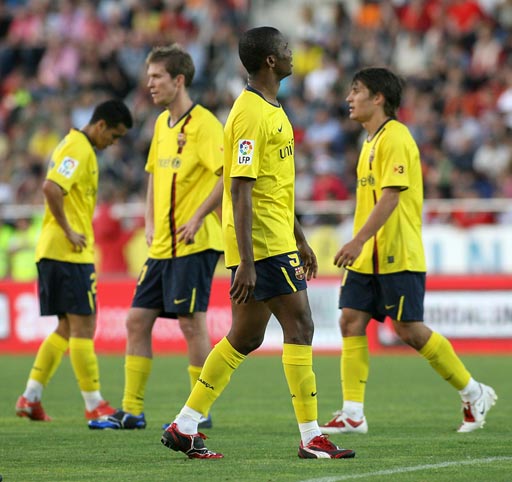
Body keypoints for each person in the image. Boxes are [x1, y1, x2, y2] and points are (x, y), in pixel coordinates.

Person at [160, 26, 355, 460]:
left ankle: (185, 424)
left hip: (276, 237)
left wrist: (300, 237)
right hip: (262, 244)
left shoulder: (273, 109)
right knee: (301, 326)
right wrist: (247, 261)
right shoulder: (248, 114)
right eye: (286, 50)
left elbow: (275, 186)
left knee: (244, 337)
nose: (292, 55)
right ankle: (311, 437)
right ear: (270, 60)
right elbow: (241, 188)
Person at [320, 67, 497, 435]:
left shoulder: (396, 137)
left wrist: (357, 240)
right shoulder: (367, 142)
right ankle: (353, 412)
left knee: (409, 330)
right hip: (366, 258)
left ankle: (473, 391)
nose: (349, 98)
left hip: (397, 254)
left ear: (378, 98)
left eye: (356, 91)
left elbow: (390, 196)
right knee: (350, 320)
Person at [88, 44, 224, 430]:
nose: (149, 84)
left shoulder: (206, 125)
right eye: (148, 77)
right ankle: (132, 410)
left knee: (190, 322)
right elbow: (152, 175)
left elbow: (225, 175)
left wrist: (198, 216)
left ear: (178, 80)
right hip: (162, 243)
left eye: (156, 77)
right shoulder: (161, 125)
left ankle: (200, 407)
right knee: (136, 320)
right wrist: (148, 220)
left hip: (194, 242)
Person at [15, 99, 133, 422]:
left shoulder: (79, 148)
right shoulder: (78, 149)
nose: (114, 143)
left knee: (66, 327)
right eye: (115, 135)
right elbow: (51, 188)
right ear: (100, 126)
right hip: (67, 253)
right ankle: (94, 403)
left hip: (59, 253)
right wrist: (69, 230)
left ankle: (31, 396)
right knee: (84, 325)